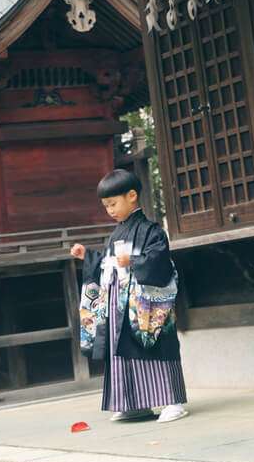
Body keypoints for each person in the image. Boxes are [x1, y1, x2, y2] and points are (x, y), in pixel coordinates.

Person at [70, 169, 189, 423]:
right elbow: (108, 262)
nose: (110, 210)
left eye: (113, 203)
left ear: (132, 196)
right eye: (106, 206)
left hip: (145, 303)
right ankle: (134, 403)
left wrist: (133, 260)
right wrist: (88, 256)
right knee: (122, 349)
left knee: (155, 344)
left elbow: (159, 262)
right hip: (117, 303)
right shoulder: (116, 234)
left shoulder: (152, 230)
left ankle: (173, 400)